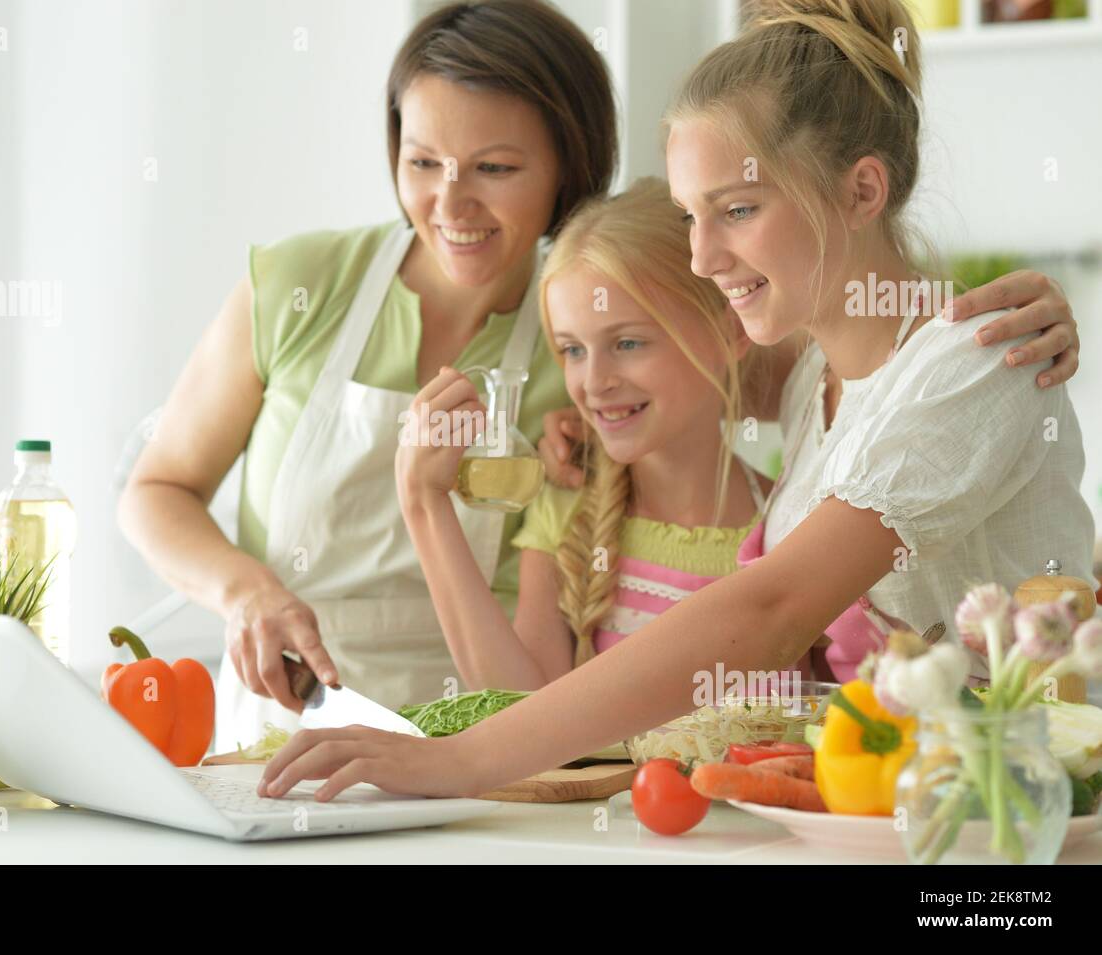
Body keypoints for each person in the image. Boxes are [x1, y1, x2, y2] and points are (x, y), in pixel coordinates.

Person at [116, 0, 1078, 753]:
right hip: (300, 728)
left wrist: (1017, 312)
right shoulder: (302, 283)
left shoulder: (630, 315)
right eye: (421, 161)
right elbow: (155, 488)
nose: (449, 201)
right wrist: (249, 593)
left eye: (493, 166)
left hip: (986, 789)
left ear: (564, 174)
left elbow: (833, 400)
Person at [396, 178, 831, 692]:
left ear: (731, 333)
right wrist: (424, 505)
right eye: (573, 350)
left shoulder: (797, 526)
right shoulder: (566, 508)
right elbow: (523, 712)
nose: (594, 382)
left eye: (626, 342)